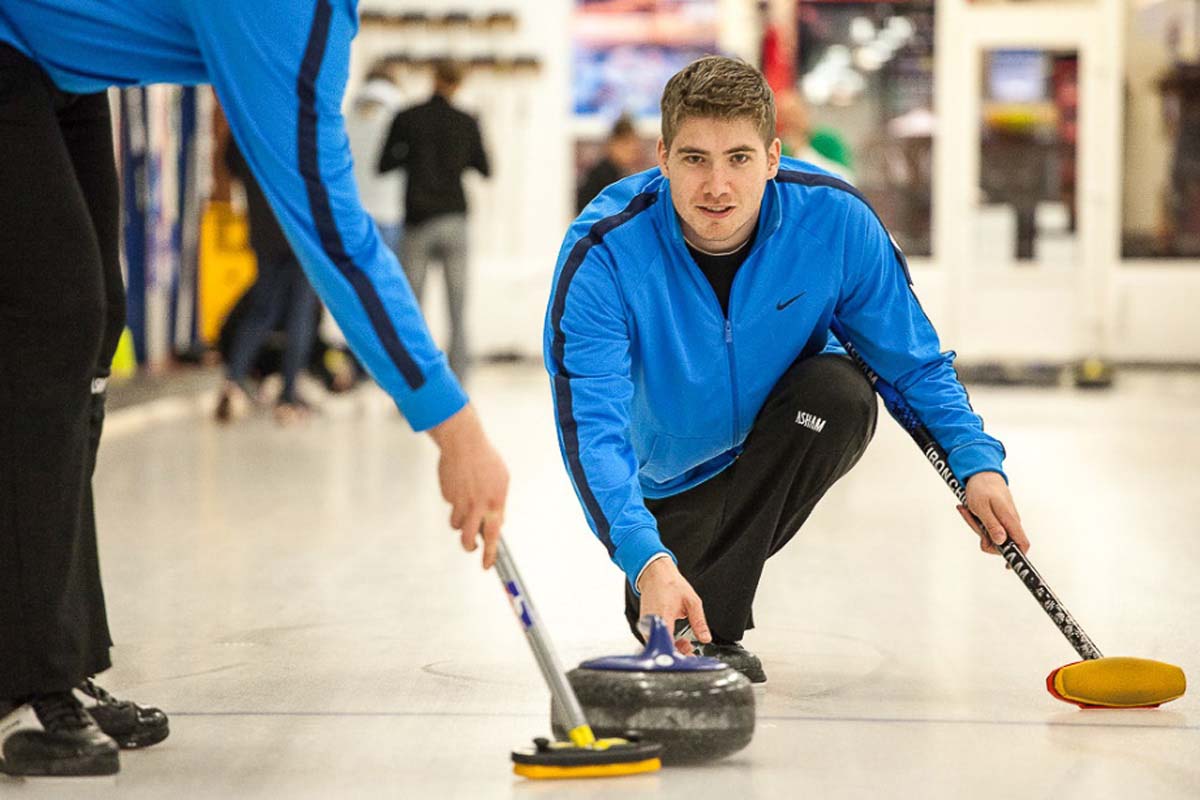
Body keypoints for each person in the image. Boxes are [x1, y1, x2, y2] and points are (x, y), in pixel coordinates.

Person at [0, 2, 508, 777]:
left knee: (91, 326)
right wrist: (456, 430)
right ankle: (23, 679)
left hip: (53, 64)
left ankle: (54, 658)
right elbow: (334, 236)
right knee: (52, 324)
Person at [544, 56, 1028, 684]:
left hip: (779, 438)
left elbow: (911, 363)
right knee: (660, 575)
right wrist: (644, 555)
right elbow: (592, 427)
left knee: (840, 394)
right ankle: (675, 581)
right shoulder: (604, 253)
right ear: (661, 157)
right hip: (666, 478)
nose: (717, 186)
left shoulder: (835, 222)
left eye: (739, 158)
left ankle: (710, 628)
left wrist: (974, 463)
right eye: (695, 159)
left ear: (773, 157)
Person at [378, 59, 490, 381]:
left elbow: (383, 163)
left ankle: (415, 376)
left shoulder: (407, 117)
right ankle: (459, 380)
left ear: (433, 78)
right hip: (454, 218)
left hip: (418, 219)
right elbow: (485, 168)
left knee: (412, 308)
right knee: (458, 308)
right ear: (458, 84)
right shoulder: (466, 121)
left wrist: (412, 155)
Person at [216, 138, 320, 424]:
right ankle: (288, 398)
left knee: (262, 310)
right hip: (300, 233)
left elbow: (230, 161)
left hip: (263, 229)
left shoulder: (249, 124)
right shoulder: (296, 126)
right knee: (300, 315)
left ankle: (233, 381)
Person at [576, 113, 645, 213]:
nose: (633, 149)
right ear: (614, 144)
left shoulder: (618, 173)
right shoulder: (602, 176)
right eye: (627, 144)